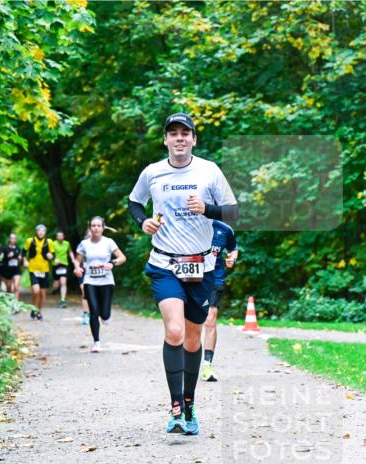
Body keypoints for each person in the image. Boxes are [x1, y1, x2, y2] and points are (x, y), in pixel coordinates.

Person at [128, 112, 238, 435]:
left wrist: (208, 209)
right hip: (165, 263)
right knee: (174, 331)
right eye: (172, 133)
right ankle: (175, 407)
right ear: (165, 140)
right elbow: (135, 203)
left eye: (184, 133)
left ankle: (189, 404)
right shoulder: (152, 173)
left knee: (193, 339)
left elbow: (233, 211)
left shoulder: (209, 171)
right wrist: (142, 222)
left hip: (201, 267)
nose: (179, 138)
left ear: (193, 139)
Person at [75, 216, 126, 352]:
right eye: (93, 225)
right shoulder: (84, 244)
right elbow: (77, 260)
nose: (96, 228)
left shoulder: (109, 242)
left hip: (106, 280)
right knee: (94, 310)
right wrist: (78, 268)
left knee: (104, 314)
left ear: (103, 228)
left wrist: (112, 263)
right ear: (90, 228)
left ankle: (105, 317)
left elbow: (122, 257)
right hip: (90, 280)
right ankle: (96, 342)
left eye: (98, 225)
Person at [200, 220, 238, 382]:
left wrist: (232, 258)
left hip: (214, 278)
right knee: (189, 322)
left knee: (210, 320)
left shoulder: (224, 229)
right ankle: (186, 361)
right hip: (190, 278)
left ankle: (207, 365)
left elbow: (233, 249)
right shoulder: (191, 222)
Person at [24, 224, 55, 320]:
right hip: (33, 269)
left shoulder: (49, 242)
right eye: (39, 231)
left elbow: (53, 254)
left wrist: (51, 256)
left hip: (44, 270)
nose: (41, 232)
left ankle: (38, 311)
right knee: (36, 290)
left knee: (42, 293)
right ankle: (34, 307)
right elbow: (23, 252)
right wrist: (25, 260)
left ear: (45, 232)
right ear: (36, 232)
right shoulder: (30, 241)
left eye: (43, 231)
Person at [49, 230, 73, 308]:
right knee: (56, 284)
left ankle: (63, 300)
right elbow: (49, 254)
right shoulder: (53, 243)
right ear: (56, 237)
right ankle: (54, 289)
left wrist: (73, 259)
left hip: (64, 265)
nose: (60, 237)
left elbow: (70, 252)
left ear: (63, 237)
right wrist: (54, 259)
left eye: (61, 236)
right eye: (58, 236)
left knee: (63, 282)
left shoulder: (67, 243)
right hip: (56, 265)